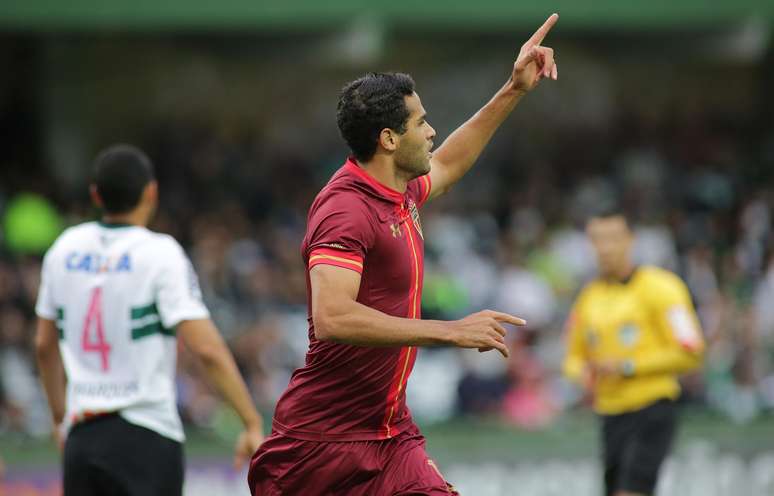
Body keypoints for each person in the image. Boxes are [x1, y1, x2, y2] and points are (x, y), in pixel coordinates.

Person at [248, 13, 559, 496]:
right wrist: (449, 331)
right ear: (389, 140)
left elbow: (451, 161)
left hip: (391, 434)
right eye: (421, 122)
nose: (432, 131)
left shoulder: (399, 189)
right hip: (321, 444)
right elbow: (331, 316)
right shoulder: (345, 209)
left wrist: (514, 89)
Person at [34, 144, 264, 496]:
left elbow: (43, 345)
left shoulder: (64, 249)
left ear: (96, 195)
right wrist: (250, 420)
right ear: (151, 192)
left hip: (82, 437)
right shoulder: (160, 253)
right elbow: (206, 348)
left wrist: (59, 418)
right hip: (146, 436)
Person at [562, 209, 706, 496]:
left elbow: (691, 350)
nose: (605, 248)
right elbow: (572, 358)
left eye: (613, 238)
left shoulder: (663, 287)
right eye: (597, 240)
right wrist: (584, 374)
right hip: (609, 413)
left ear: (631, 240)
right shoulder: (589, 298)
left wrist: (628, 366)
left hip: (651, 406)